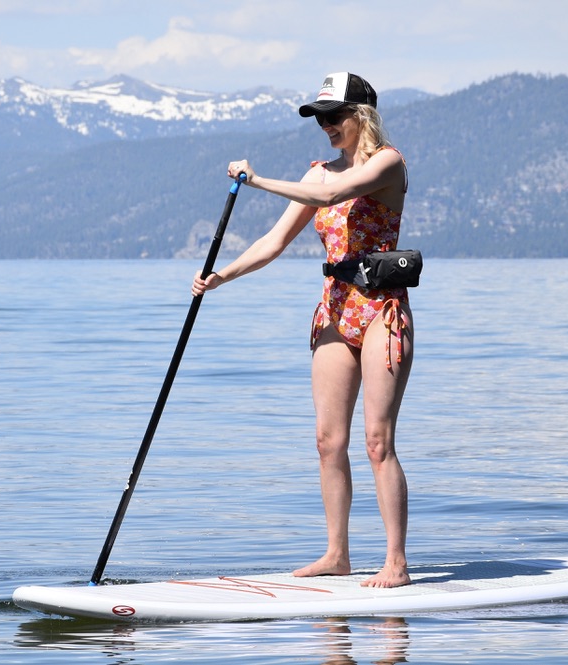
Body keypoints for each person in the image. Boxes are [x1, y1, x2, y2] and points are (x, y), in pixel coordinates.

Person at [191, 72, 413, 588]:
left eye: (334, 117)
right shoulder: (315, 174)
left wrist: (257, 180)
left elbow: (338, 192)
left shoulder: (388, 163)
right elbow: (272, 242)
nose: (326, 127)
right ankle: (337, 553)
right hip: (335, 309)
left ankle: (396, 562)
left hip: (380, 309)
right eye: (319, 119)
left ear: (362, 116)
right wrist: (221, 276)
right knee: (327, 440)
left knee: (377, 441)